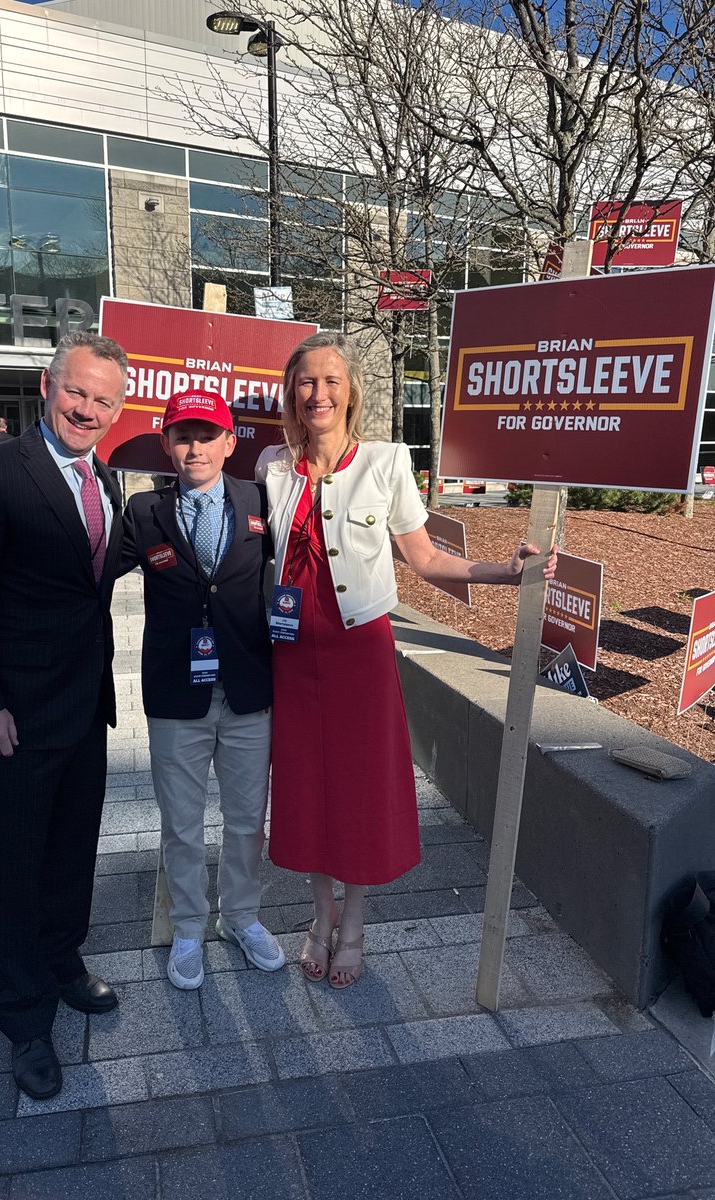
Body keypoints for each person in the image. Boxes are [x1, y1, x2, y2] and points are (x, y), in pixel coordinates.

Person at [256, 331, 557, 989]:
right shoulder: (271, 466)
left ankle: (356, 921)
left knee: (362, 784)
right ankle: (319, 913)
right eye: (307, 381)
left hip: (360, 654)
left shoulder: (386, 463)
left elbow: (424, 558)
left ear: (351, 393)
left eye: (332, 381)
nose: (319, 393)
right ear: (291, 392)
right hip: (292, 657)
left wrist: (502, 573)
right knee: (305, 784)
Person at [0, 331, 128, 1101]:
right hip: (8, 718)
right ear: (48, 385)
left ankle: (62, 961)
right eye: (77, 391)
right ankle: (23, 1020)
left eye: (103, 400)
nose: (87, 408)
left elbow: (88, 580)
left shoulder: (104, 482)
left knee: (72, 851)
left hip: (83, 710)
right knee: (15, 868)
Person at [119, 390, 283, 989]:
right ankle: (189, 925)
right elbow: (87, 573)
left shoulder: (259, 499)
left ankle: (242, 917)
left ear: (229, 443)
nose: (195, 447)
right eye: (183, 436)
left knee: (246, 820)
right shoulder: (143, 513)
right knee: (182, 824)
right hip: (175, 697)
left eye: (207, 435)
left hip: (246, 692)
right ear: (167, 444)